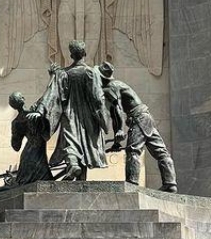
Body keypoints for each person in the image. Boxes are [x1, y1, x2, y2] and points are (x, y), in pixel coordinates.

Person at [33, 40, 109, 180]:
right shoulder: (90, 73)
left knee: (71, 141)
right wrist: (103, 119)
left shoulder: (63, 74)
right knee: (85, 145)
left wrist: (41, 108)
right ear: (84, 53)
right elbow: (97, 98)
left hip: (69, 114)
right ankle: (76, 169)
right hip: (88, 117)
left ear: (71, 55)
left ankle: (74, 165)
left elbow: (53, 92)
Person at [99, 62, 177, 192]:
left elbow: (117, 109)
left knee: (133, 150)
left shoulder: (111, 87)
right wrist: (116, 140)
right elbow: (115, 114)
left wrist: (119, 130)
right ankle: (170, 183)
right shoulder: (117, 85)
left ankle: (132, 183)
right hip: (145, 117)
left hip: (139, 118)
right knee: (160, 150)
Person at [9, 91, 53, 185]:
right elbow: (48, 130)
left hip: (27, 155)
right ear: (23, 99)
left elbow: (16, 146)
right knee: (44, 180)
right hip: (37, 151)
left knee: (30, 182)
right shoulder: (36, 114)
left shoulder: (16, 122)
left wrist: (15, 132)